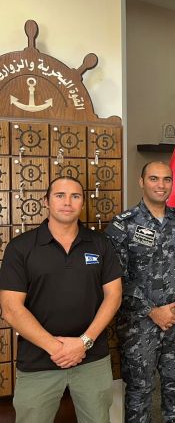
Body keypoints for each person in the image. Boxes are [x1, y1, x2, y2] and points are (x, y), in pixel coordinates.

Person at [0, 176, 122, 423]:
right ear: (46, 201)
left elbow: (114, 295)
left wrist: (83, 343)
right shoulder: (20, 247)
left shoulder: (101, 244)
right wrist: (57, 348)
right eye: (60, 196)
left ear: (82, 202)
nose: (68, 202)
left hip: (92, 359)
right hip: (39, 361)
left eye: (75, 196)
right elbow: (11, 309)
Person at [105, 161, 175, 423]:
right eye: (154, 179)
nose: (161, 185)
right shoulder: (122, 225)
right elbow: (116, 277)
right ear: (142, 182)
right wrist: (152, 311)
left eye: (167, 179)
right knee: (140, 390)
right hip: (138, 325)